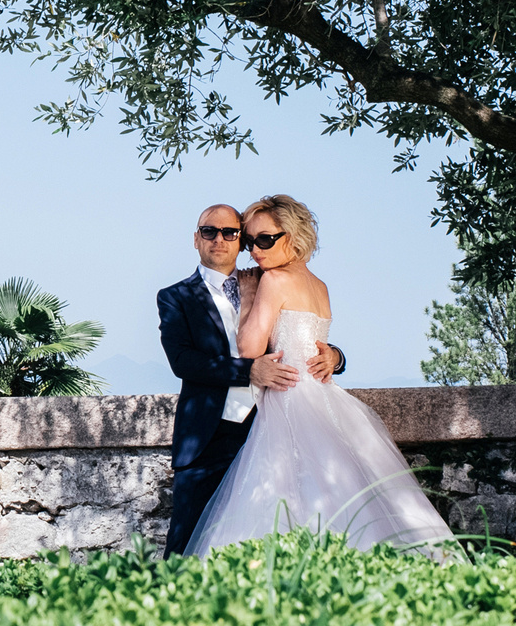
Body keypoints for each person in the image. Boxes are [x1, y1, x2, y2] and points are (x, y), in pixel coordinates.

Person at [187, 194, 457, 559]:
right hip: (326, 398)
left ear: (294, 236)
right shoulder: (320, 286)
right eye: (250, 242)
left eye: (265, 239)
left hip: (288, 398)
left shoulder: (273, 280)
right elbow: (313, 345)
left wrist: (248, 296)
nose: (255, 251)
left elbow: (249, 348)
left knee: (280, 501)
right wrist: (335, 356)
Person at [159, 202, 346, 557]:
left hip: (269, 431)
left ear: (239, 240)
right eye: (209, 232)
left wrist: (336, 356)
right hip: (208, 439)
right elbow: (183, 361)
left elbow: (304, 335)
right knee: (185, 549)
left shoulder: (270, 278)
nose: (219, 239)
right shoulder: (175, 297)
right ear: (196, 239)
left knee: (271, 540)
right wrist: (248, 371)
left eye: (231, 233)